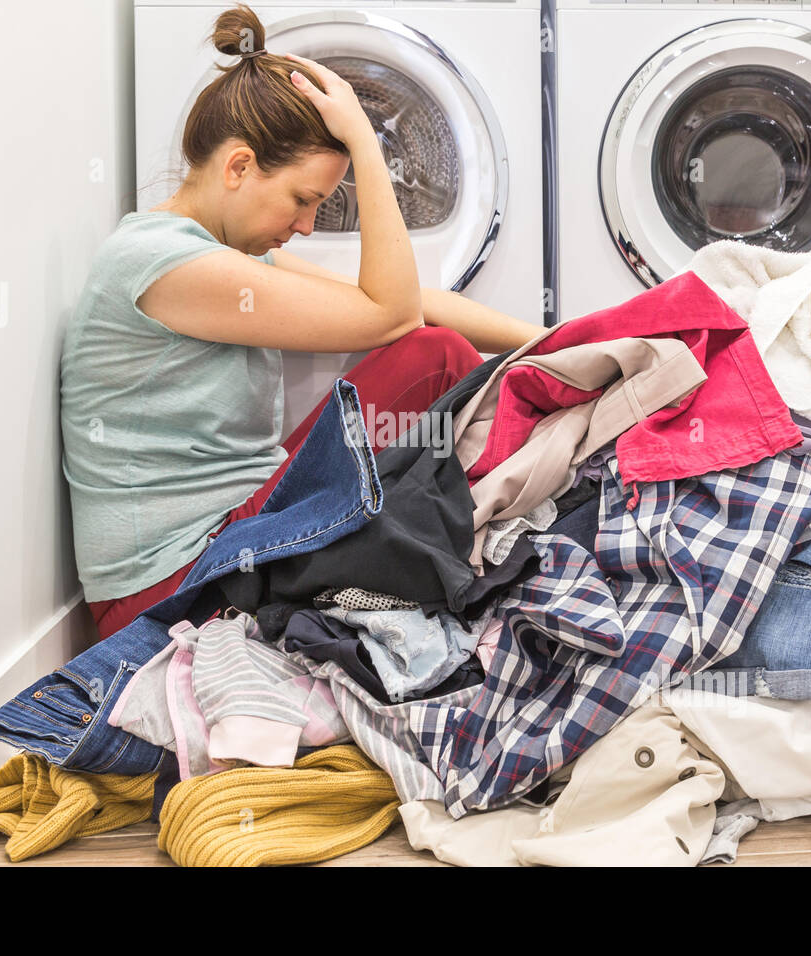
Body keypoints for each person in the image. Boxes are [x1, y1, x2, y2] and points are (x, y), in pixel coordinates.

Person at [62, 4, 544, 641]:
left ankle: (491, 531)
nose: (308, 226)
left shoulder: (213, 256)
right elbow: (394, 316)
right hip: (172, 589)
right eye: (304, 199)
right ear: (238, 167)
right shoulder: (166, 265)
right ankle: (518, 535)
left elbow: (413, 301)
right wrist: (367, 146)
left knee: (438, 356)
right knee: (436, 358)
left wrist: (558, 341)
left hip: (225, 540)